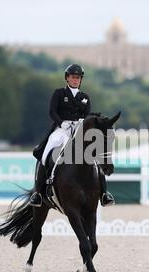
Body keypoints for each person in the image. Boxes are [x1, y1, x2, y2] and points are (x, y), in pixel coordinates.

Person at [30, 64, 115, 207]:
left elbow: (87, 115)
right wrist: (62, 123)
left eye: (78, 78)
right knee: (45, 154)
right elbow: (52, 112)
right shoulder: (59, 93)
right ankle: (38, 193)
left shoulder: (85, 97)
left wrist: (82, 122)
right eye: (73, 77)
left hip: (79, 130)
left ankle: (104, 193)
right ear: (67, 78)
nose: (75, 80)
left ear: (81, 80)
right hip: (61, 129)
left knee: (93, 157)